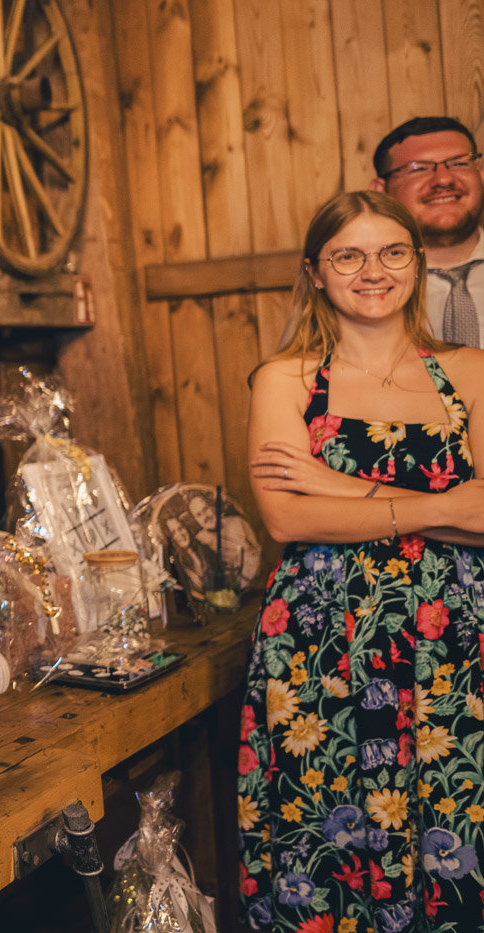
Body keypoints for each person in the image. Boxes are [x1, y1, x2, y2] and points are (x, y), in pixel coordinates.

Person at [239, 190, 484, 932]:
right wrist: (447, 504)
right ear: (315, 271)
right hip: (323, 642)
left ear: (417, 261)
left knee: (458, 815)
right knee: (330, 820)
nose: (372, 271)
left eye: (391, 251)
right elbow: (286, 516)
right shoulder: (285, 379)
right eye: (348, 255)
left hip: (454, 640)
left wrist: (342, 486)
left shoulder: (470, 372)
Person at [370, 117, 484, 347]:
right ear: (380, 191)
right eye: (418, 168)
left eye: (459, 163)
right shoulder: (358, 286)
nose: (443, 179)